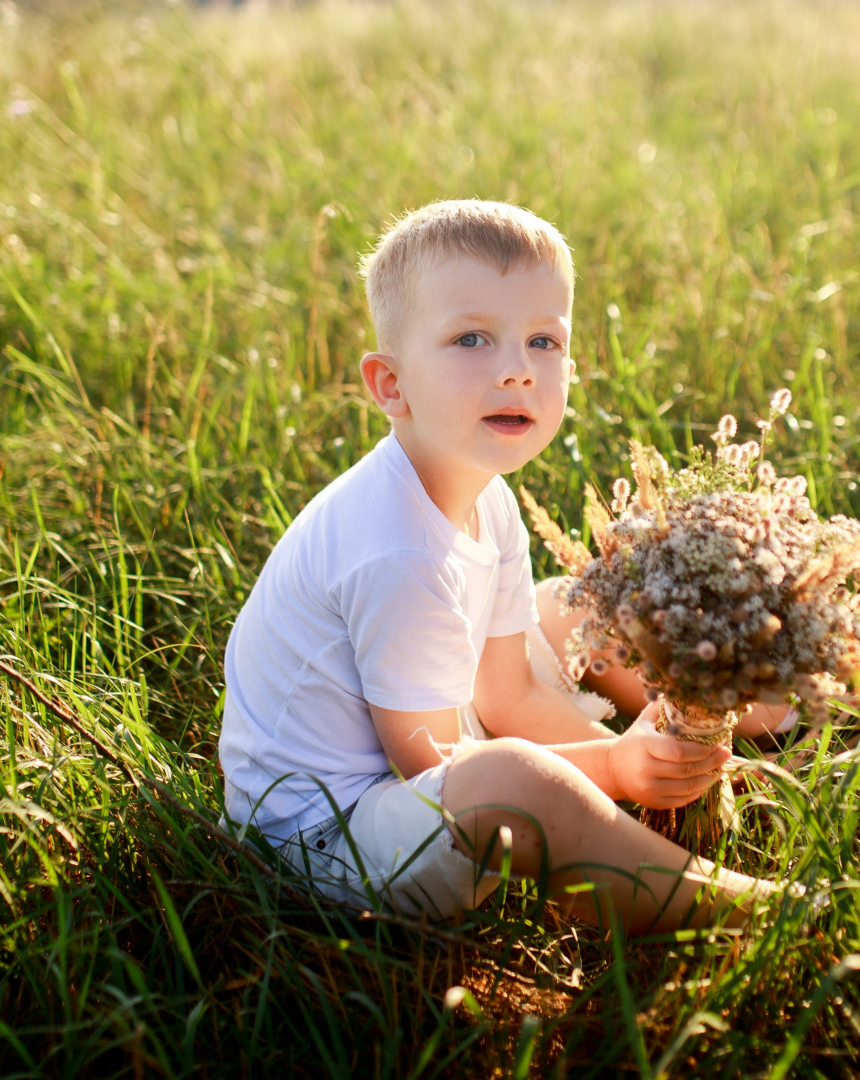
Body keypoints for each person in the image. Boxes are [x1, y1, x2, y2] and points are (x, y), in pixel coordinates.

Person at [218, 200, 776, 930]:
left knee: (581, 607)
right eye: (472, 339)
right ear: (391, 385)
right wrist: (609, 770)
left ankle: (746, 729)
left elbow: (505, 692)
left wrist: (621, 761)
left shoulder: (490, 498)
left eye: (543, 341)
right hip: (325, 839)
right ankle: (753, 913)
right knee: (518, 778)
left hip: (419, 771)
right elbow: (434, 761)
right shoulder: (397, 548)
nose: (516, 371)